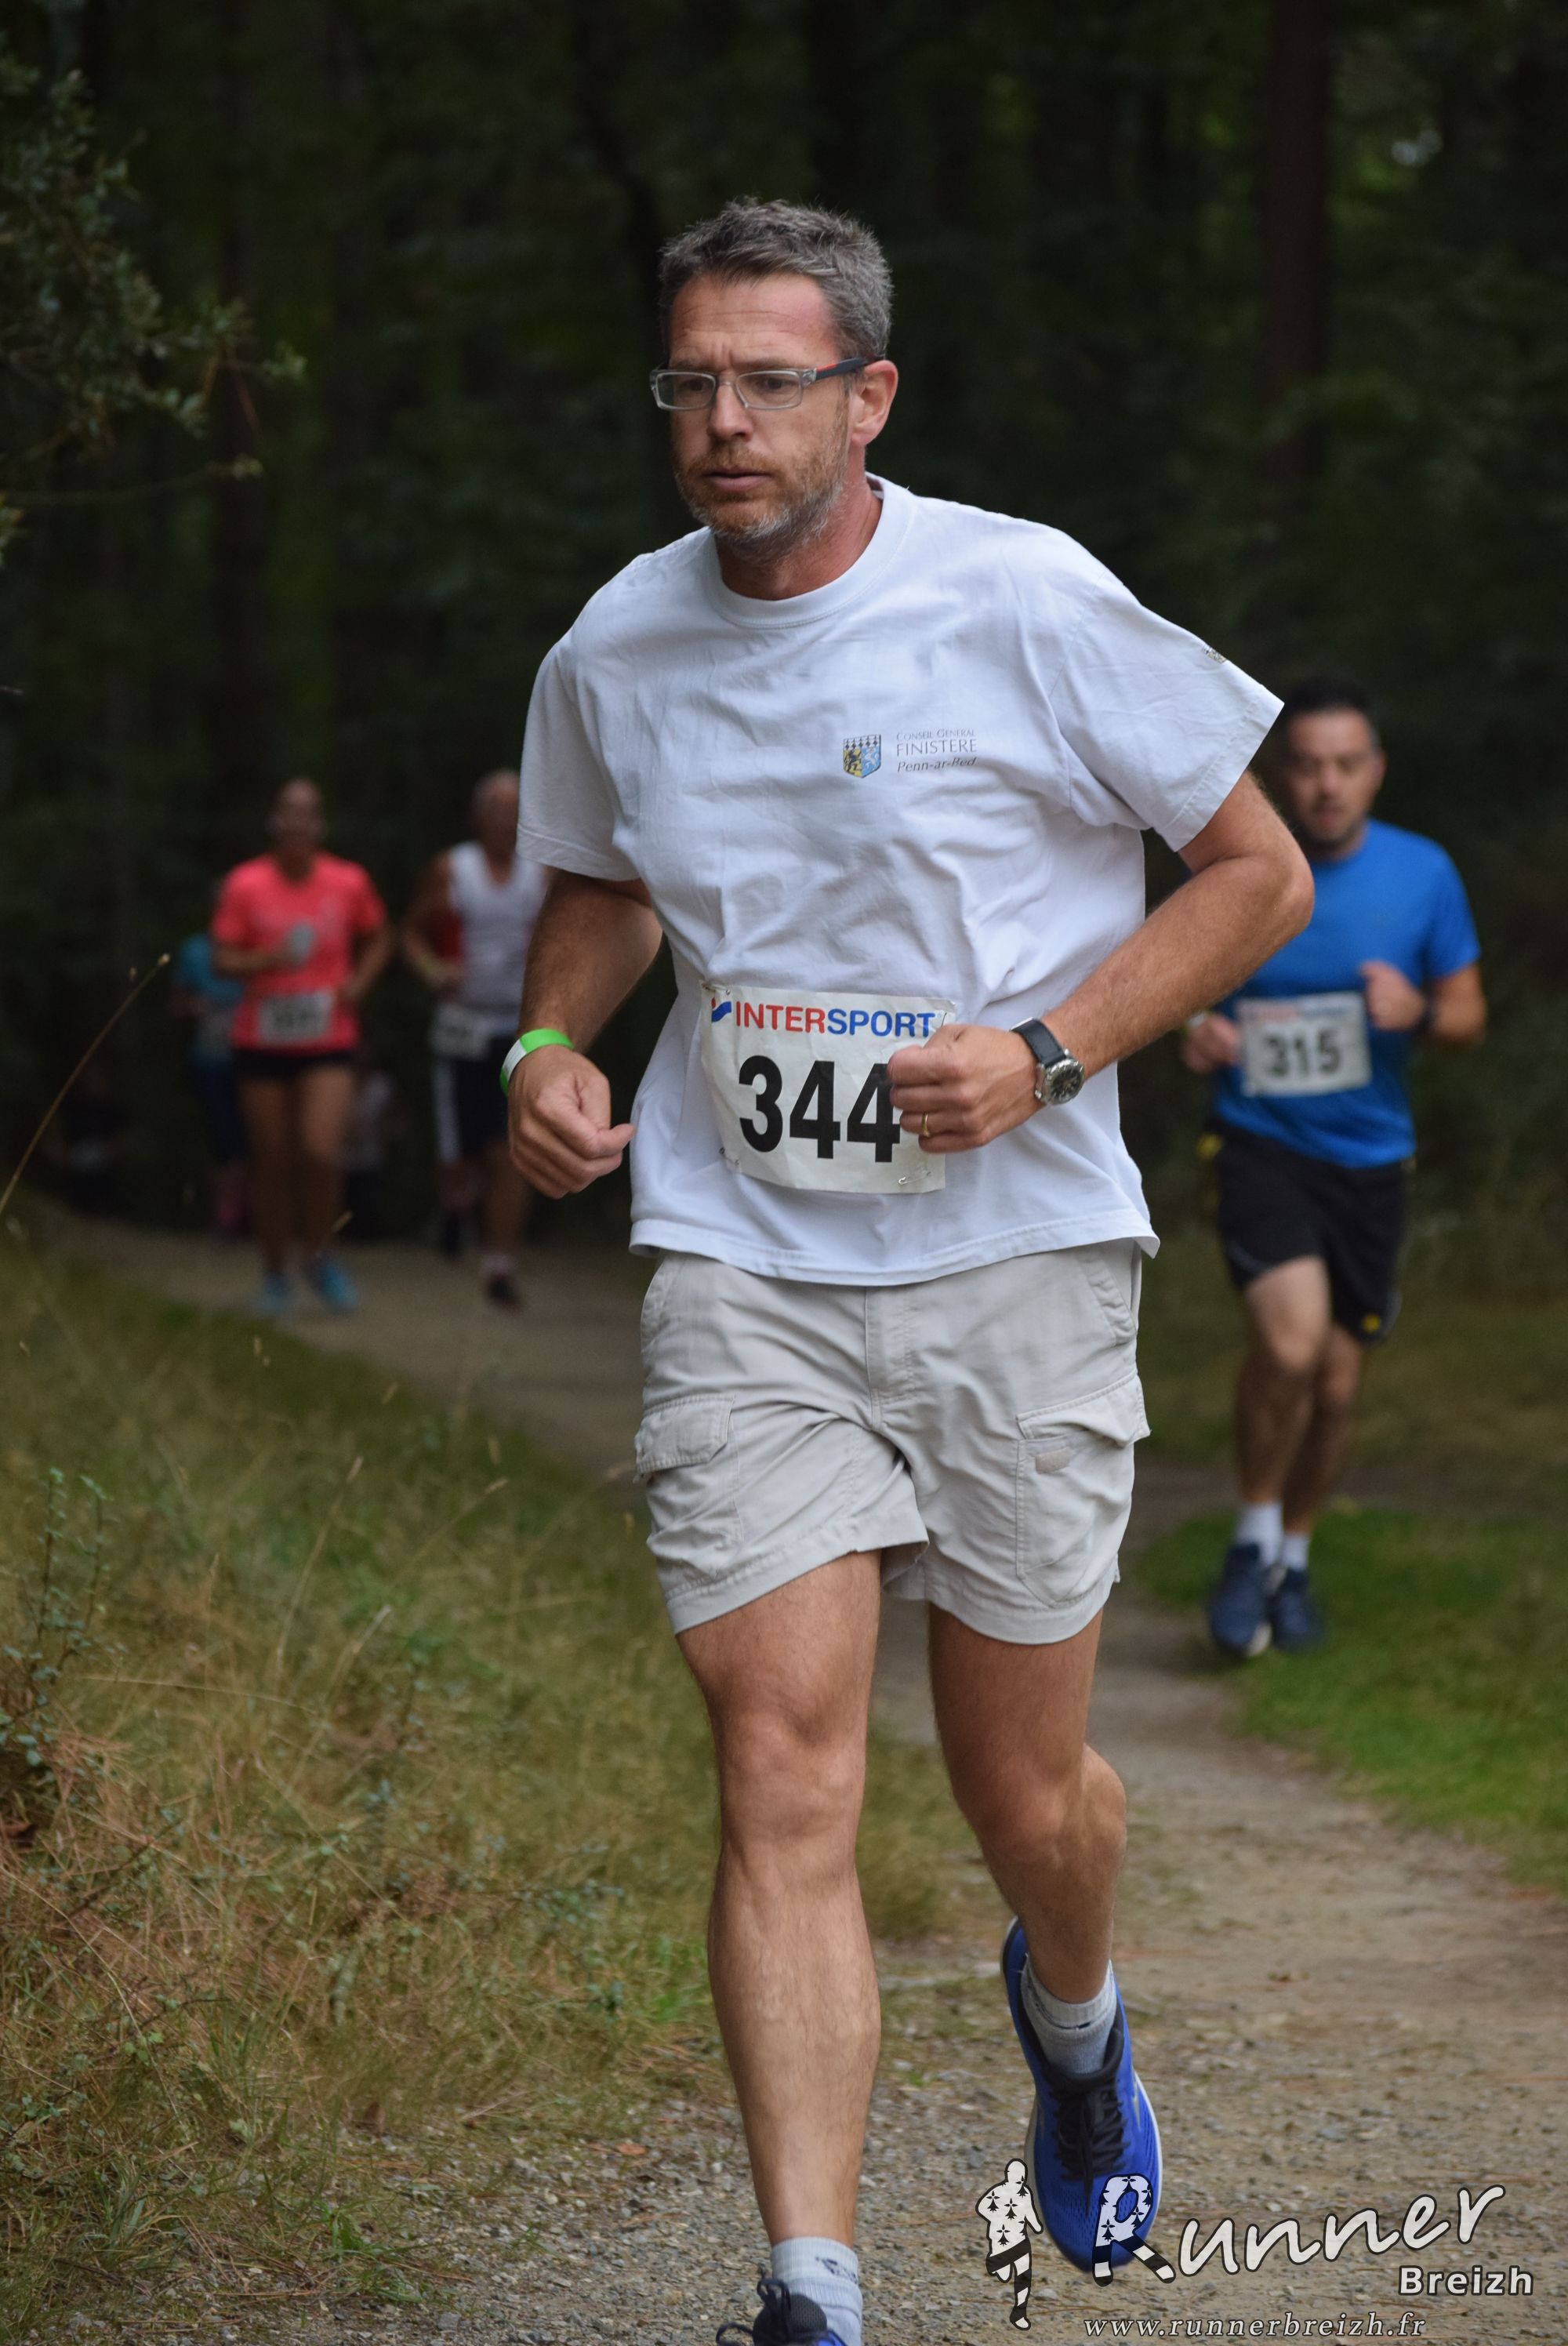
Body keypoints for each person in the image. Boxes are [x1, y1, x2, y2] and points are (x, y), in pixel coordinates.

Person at [506, 200, 1311, 2346]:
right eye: (690, 381)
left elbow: (1255, 873)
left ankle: (1076, 2012)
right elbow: (596, 882)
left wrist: (1050, 1049)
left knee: (1019, 1792)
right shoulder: (616, 643)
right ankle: (813, 2285)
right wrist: (542, 1045)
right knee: (779, 1765)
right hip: (743, 1262)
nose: (723, 421)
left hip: (1013, 1258)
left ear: (868, 397)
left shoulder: (1020, 597)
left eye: (771, 382)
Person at [1181, 677, 1485, 1658]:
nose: (1325, 785)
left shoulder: (1422, 873)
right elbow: (1178, 985)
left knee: (1339, 1386)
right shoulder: (1244, 866)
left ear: (1374, 770)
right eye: (1308, 766)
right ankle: (1248, 1542)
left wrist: (1420, 1013)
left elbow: (1467, 1016)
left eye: (1344, 765)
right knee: (1289, 1345)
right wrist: (1196, 1028)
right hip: (1260, 1144)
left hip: (1370, 1159)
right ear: (1284, 774)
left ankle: (1293, 1558)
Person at [211, 778, 392, 1315]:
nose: (297, 823)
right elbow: (221, 959)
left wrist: (360, 982)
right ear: (274, 822)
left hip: (328, 1037)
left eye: (307, 813)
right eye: (288, 812)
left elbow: (380, 936)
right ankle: (274, 1275)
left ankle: (320, 1255)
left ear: (320, 824)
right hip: (262, 1038)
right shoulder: (245, 884)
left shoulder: (348, 880)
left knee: (319, 1151)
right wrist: (266, 961)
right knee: (271, 1162)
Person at [401, 770, 547, 1308]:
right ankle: (456, 1206)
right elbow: (410, 933)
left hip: (516, 1026)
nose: (507, 821)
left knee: (509, 1148)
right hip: (461, 1024)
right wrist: (432, 969)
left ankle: (500, 1264)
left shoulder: (542, 872)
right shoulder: (452, 869)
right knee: (459, 1155)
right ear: (478, 817)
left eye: (515, 810)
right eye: (497, 810)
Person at [169, 913, 249, 1237]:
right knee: (222, 1137)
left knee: (258, 1136)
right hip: (210, 1058)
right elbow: (177, 1005)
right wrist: (196, 1007)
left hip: (256, 1059)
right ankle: (226, 1215)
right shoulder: (194, 951)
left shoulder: (260, 948)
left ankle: (256, 1213)